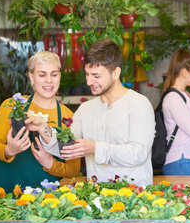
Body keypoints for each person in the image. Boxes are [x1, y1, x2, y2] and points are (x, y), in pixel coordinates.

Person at [25, 39, 155, 187]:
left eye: (96, 76)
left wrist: (95, 148)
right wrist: (43, 128)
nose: (89, 81)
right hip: (98, 198)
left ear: (116, 73)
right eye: (87, 74)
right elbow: (66, 148)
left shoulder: (138, 104)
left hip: (136, 198)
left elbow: (139, 153)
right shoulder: (85, 109)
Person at [0, 51, 80, 192]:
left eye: (54, 74)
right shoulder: (12, 106)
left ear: (59, 77)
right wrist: (9, 150)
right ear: (31, 77)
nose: (49, 80)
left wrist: (50, 164)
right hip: (2, 191)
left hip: (42, 200)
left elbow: (73, 169)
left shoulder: (68, 118)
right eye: (42, 75)